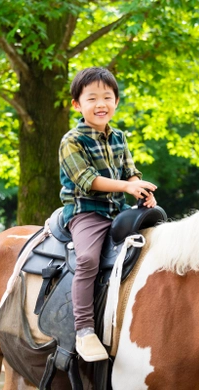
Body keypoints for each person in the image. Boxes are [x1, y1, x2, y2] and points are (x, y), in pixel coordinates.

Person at [59, 67, 157, 362]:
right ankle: (84, 330)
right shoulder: (72, 141)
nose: (100, 104)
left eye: (107, 97)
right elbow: (87, 180)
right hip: (87, 211)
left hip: (119, 211)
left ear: (116, 102)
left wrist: (142, 190)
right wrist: (128, 186)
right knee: (88, 258)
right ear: (77, 104)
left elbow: (131, 172)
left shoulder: (120, 137)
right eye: (92, 98)